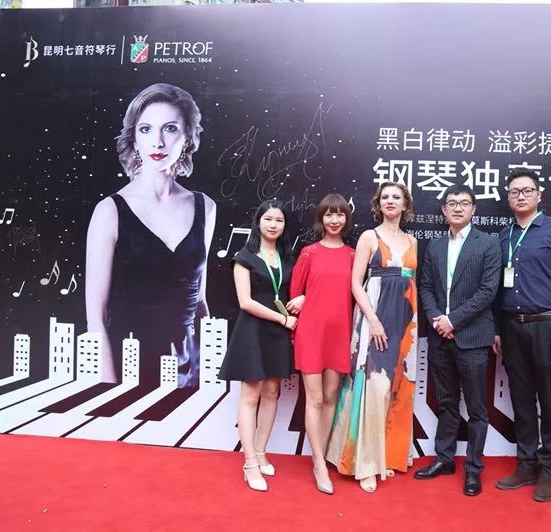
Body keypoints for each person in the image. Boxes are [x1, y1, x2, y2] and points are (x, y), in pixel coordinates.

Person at [86, 83, 216, 388]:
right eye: (146, 129)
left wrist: (211, 375)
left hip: (189, 372)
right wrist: (109, 392)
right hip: (128, 368)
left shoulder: (206, 207)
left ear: (187, 137)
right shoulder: (110, 211)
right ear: (134, 139)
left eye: (170, 128)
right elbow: (96, 318)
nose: (157, 142)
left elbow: (200, 301)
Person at [326, 181, 418, 493]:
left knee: (396, 388)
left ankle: (385, 457)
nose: (391, 201)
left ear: (405, 204)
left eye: (397, 197)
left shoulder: (412, 241)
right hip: (374, 317)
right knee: (372, 386)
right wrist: (373, 320)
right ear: (379, 205)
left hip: (405, 321)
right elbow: (356, 283)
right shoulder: (369, 237)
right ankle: (363, 463)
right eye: (385, 197)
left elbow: (412, 283)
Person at [492, 167, 551, 502]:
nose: (520, 196)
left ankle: (549, 469)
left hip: (547, 326)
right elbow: (497, 288)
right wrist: (498, 329)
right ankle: (526, 465)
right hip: (512, 326)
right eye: (514, 192)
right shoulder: (504, 235)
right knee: (522, 399)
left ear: (539, 195)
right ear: (508, 197)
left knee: (550, 400)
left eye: (527, 190)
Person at [415, 184, 501, 497]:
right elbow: (425, 287)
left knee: (477, 408)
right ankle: (444, 458)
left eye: (464, 203)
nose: (458, 208)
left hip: (472, 337)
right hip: (440, 338)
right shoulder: (436, 245)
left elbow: (488, 291)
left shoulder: (488, 243)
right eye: (452, 203)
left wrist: (453, 321)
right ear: (444, 210)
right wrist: (438, 319)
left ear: (473, 209)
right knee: (446, 402)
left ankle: (474, 468)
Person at [218, 200, 297, 492]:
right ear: (258, 222)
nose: (273, 225)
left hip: (277, 333)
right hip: (253, 331)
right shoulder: (244, 257)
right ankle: (249, 462)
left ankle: (261, 452)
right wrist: (283, 319)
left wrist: (299, 302)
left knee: (272, 391)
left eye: (279, 220)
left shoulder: (288, 258)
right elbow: (245, 302)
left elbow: (295, 290)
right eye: (268, 219)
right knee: (250, 395)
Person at [287, 194, 355, 495]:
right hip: (311, 333)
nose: (334, 220)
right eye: (329, 214)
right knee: (314, 399)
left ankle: (324, 453)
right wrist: (302, 298)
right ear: (321, 218)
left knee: (330, 398)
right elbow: (293, 297)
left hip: (341, 334)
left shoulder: (354, 255)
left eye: (340, 214)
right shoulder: (309, 253)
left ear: (346, 219)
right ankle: (318, 463)